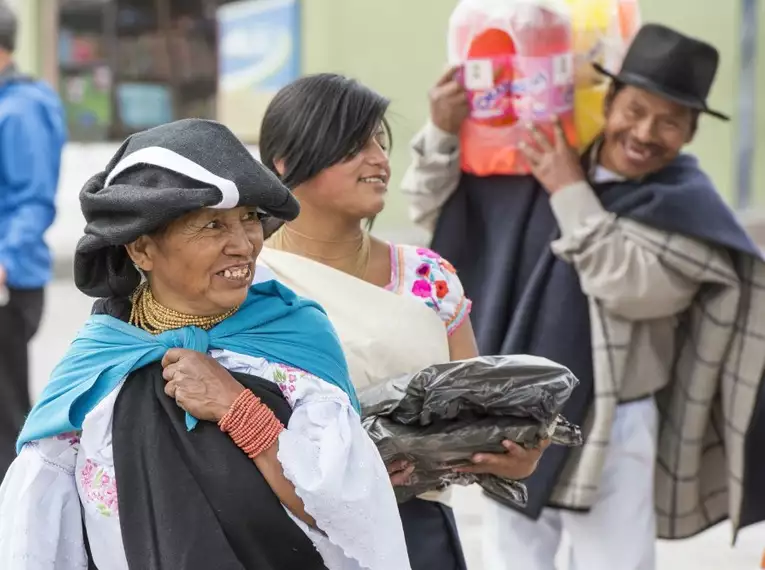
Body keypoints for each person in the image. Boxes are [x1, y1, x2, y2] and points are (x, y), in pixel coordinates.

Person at [401, 23, 765, 570]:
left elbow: (632, 288)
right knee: (513, 559)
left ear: (689, 135)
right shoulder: (537, 159)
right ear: (610, 100)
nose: (645, 132)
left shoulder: (682, 201)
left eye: (670, 122)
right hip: (517, 409)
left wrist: (568, 191)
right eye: (635, 109)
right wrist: (443, 131)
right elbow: (437, 211)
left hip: (617, 420)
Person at [0, 118, 415, 570]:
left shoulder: (293, 335)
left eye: (249, 220)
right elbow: (37, 539)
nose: (243, 245)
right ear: (141, 250)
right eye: (212, 226)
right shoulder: (99, 363)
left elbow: (354, 515)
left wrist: (239, 408)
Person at [256, 73, 549, 570]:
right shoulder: (247, 280)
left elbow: (476, 415)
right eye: (354, 144)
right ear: (284, 163)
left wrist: (516, 452)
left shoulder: (427, 277)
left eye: (379, 141)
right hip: (288, 532)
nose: (379, 159)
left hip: (416, 533)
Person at [0, 1, 66, 478]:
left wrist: (5, 258)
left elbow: (33, 199)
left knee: (6, 407)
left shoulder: (22, 109)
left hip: (8, 279)